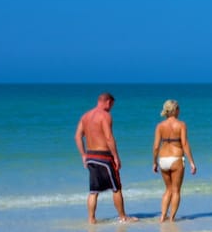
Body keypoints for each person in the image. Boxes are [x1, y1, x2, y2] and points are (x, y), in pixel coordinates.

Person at [75, 92, 137, 224]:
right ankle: (123, 217)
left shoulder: (85, 116)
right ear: (108, 102)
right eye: (111, 105)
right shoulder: (105, 116)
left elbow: (77, 136)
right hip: (104, 156)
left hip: (91, 156)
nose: (111, 108)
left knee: (93, 191)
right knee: (116, 188)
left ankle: (91, 219)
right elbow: (109, 137)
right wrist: (115, 156)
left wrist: (83, 155)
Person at [151, 99, 197, 222]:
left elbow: (156, 146)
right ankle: (171, 218)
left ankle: (162, 216)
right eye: (178, 108)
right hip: (176, 158)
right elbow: (185, 143)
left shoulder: (160, 126)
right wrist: (192, 162)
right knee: (176, 190)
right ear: (175, 110)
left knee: (168, 189)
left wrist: (154, 162)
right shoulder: (181, 124)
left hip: (163, 159)